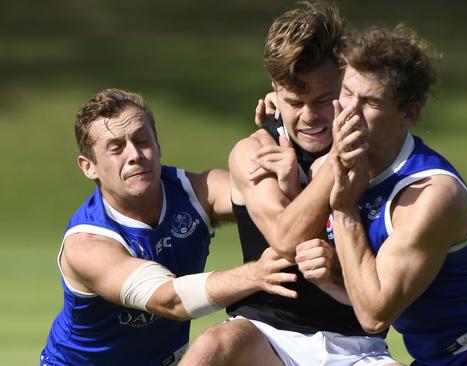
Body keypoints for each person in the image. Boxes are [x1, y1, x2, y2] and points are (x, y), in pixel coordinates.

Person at [180, 2, 399, 365]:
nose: (310, 117)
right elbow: (286, 239)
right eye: (294, 102)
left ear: (345, 86)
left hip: (359, 343)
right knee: (211, 347)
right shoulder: (255, 152)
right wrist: (337, 162)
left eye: (324, 100)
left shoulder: (378, 151)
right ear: (275, 92)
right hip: (267, 333)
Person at [326, 27, 467, 365]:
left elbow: (374, 315)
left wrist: (344, 210)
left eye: (371, 102)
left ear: (410, 113)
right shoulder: (338, 161)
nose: (349, 110)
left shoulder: (430, 195)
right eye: (346, 92)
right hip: (435, 358)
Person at [40, 89, 298, 366]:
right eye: (116, 148)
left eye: (141, 140)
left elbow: (266, 201)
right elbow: (171, 300)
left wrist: (282, 124)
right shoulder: (88, 244)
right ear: (88, 167)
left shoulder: (195, 192)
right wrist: (254, 275)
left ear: (158, 145)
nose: (134, 155)